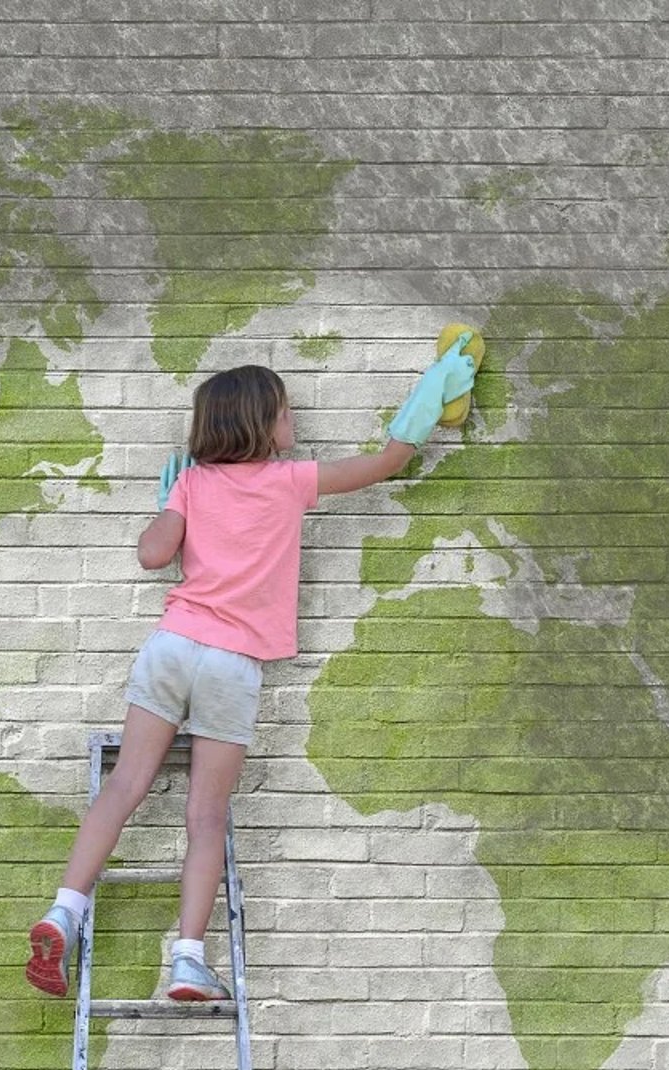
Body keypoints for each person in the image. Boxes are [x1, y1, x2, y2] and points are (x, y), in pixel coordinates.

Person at [25, 337, 478, 1002]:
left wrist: (173, 502)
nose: (295, 423)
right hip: (232, 666)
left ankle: (63, 909)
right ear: (261, 426)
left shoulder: (193, 480)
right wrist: (430, 396)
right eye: (288, 413)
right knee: (206, 817)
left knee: (124, 787)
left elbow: (153, 556)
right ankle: (186, 960)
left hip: (173, 645)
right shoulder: (288, 481)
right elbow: (388, 462)